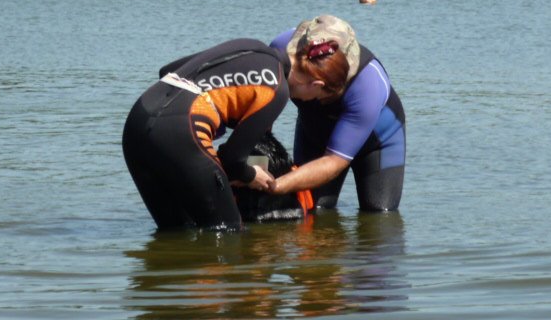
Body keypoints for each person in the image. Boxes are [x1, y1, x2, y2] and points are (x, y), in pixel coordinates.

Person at [122, 38, 293, 231]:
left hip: (137, 123)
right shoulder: (279, 88)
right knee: (228, 231)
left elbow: (166, 71)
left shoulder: (249, 46)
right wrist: (252, 174)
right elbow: (232, 161)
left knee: (175, 232)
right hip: (181, 130)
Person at [268, 15, 406, 211]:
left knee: (378, 215)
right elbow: (263, 106)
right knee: (311, 209)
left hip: (379, 142)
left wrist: (277, 186)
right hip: (314, 133)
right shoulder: (282, 50)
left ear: (318, 85)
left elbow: (335, 161)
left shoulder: (367, 85)